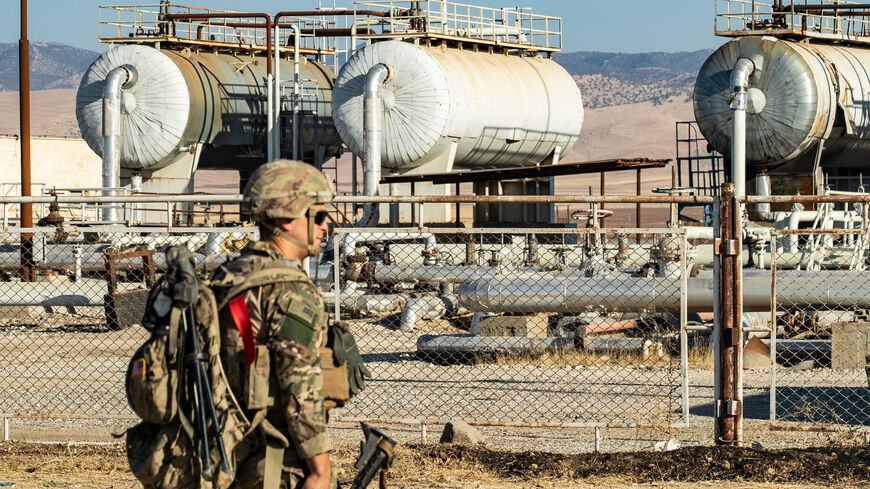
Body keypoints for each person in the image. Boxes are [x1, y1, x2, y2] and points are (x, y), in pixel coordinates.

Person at [211, 159, 337, 489]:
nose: (327, 225)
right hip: (272, 462)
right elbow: (300, 390)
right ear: (285, 218)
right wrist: (319, 470)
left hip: (220, 453)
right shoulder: (290, 290)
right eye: (319, 215)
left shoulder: (228, 276)